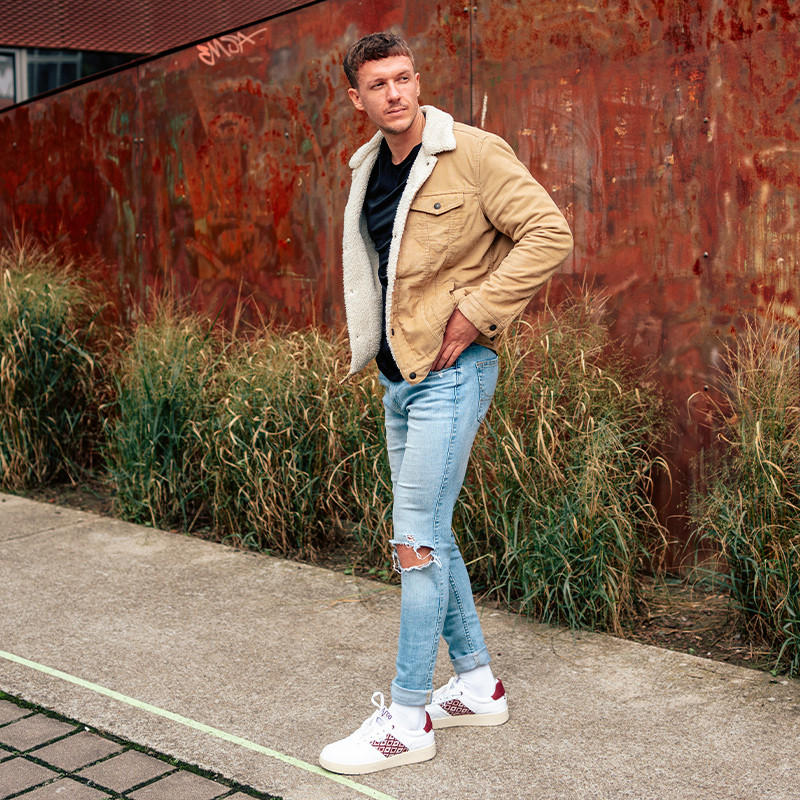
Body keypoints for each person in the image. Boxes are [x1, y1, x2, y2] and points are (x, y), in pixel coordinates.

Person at [319, 31, 573, 775]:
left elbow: (548, 233)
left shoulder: (476, 153)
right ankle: (476, 684)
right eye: (378, 84)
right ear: (357, 97)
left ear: (417, 80)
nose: (395, 93)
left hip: (453, 374)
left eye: (404, 78)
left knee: (414, 542)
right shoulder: (369, 167)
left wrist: (477, 312)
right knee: (434, 532)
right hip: (399, 378)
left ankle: (406, 719)